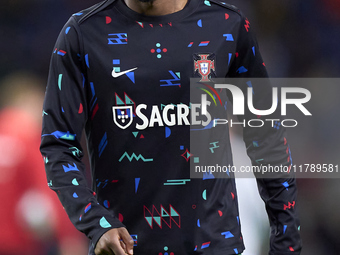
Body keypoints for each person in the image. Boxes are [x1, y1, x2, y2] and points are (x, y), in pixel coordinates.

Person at [40, 0, 302, 254]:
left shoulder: (226, 25)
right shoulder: (83, 33)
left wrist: (287, 244)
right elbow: (58, 145)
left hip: (213, 245)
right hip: (125, 247)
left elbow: (267, 135)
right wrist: (96, 223)